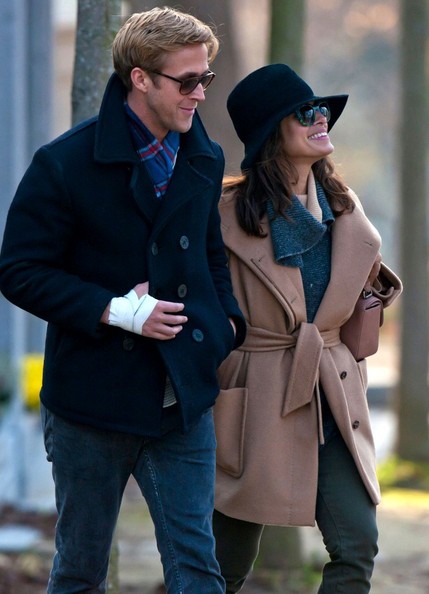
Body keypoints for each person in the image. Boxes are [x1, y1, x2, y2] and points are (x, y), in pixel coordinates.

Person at [0, 7, 246, 593]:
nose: (200, 94)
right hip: (92, 402)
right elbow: (19, 270)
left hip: (181, 399)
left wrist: (224, 326)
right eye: (187, 81)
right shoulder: (65, 162)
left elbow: (211, 256)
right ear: (141, 78)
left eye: (206, 78)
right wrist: (116, 310)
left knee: (198, 568)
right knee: (80, 573)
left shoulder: (203, 155)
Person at [212, 64, 402, 593]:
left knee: (357, 544)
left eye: (322, 110)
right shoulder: (225, 214)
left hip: (333, 390)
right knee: (225, 563)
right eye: (305, 113)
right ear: (271, 131)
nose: (322, 118)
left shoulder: (343, 207)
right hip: (256, 393)